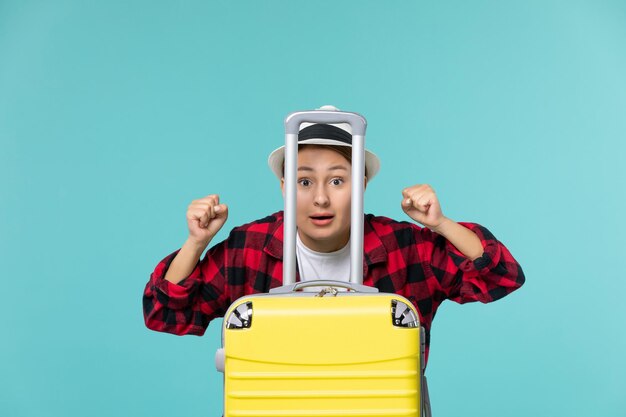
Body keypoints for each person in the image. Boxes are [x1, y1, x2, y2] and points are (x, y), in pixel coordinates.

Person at [142, 105, 525, 365]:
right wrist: (196, 243)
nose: (321, 197)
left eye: (337, 180)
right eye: (304, 180)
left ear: (360, 184)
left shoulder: (404, 248)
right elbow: (164, 313)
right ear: (283, 188)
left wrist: (441, 224)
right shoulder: (251, 247)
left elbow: (501, 275)